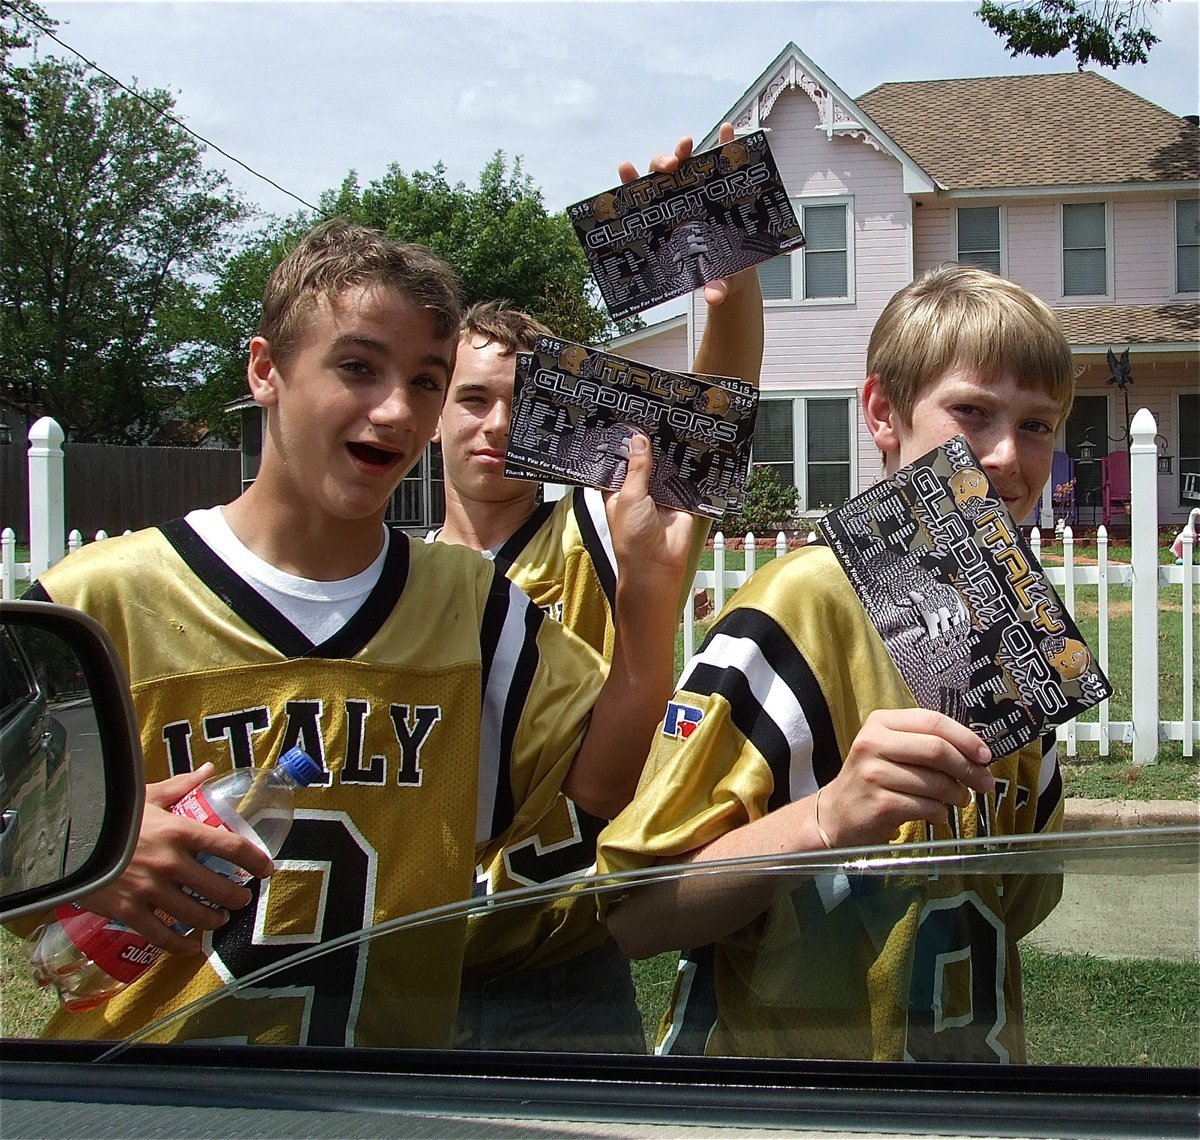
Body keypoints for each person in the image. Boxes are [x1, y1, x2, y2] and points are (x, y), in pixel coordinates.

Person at [21, 218, 695, 1048]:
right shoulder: (97, 601)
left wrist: (648, 597)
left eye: (425, 380)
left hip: (386, 1093)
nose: (396, 409)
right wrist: (93, 859)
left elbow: (599, 794)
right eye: (358, 367)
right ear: (266, 370)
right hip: (138, 1091)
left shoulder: (468, 605)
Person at [598, 264, 1075, 1063]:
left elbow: (1019, 897)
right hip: (784, 1096)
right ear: (883, 412)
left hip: (965, 1094)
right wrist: (828, 817)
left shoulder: (1021, 629)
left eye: (1037, 424)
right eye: (971, 412)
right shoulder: (798, 606)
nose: (1004, 455)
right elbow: (636, 914)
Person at [434, 127, 764, 1052]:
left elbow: (710, 419)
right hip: (409, 966)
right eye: (471, 398)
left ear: (558, 415)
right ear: (431, 412)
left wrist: (730, 288)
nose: (495, 423)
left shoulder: (600, 531)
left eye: (521, 401)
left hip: (565, 967)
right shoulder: (396, 575)